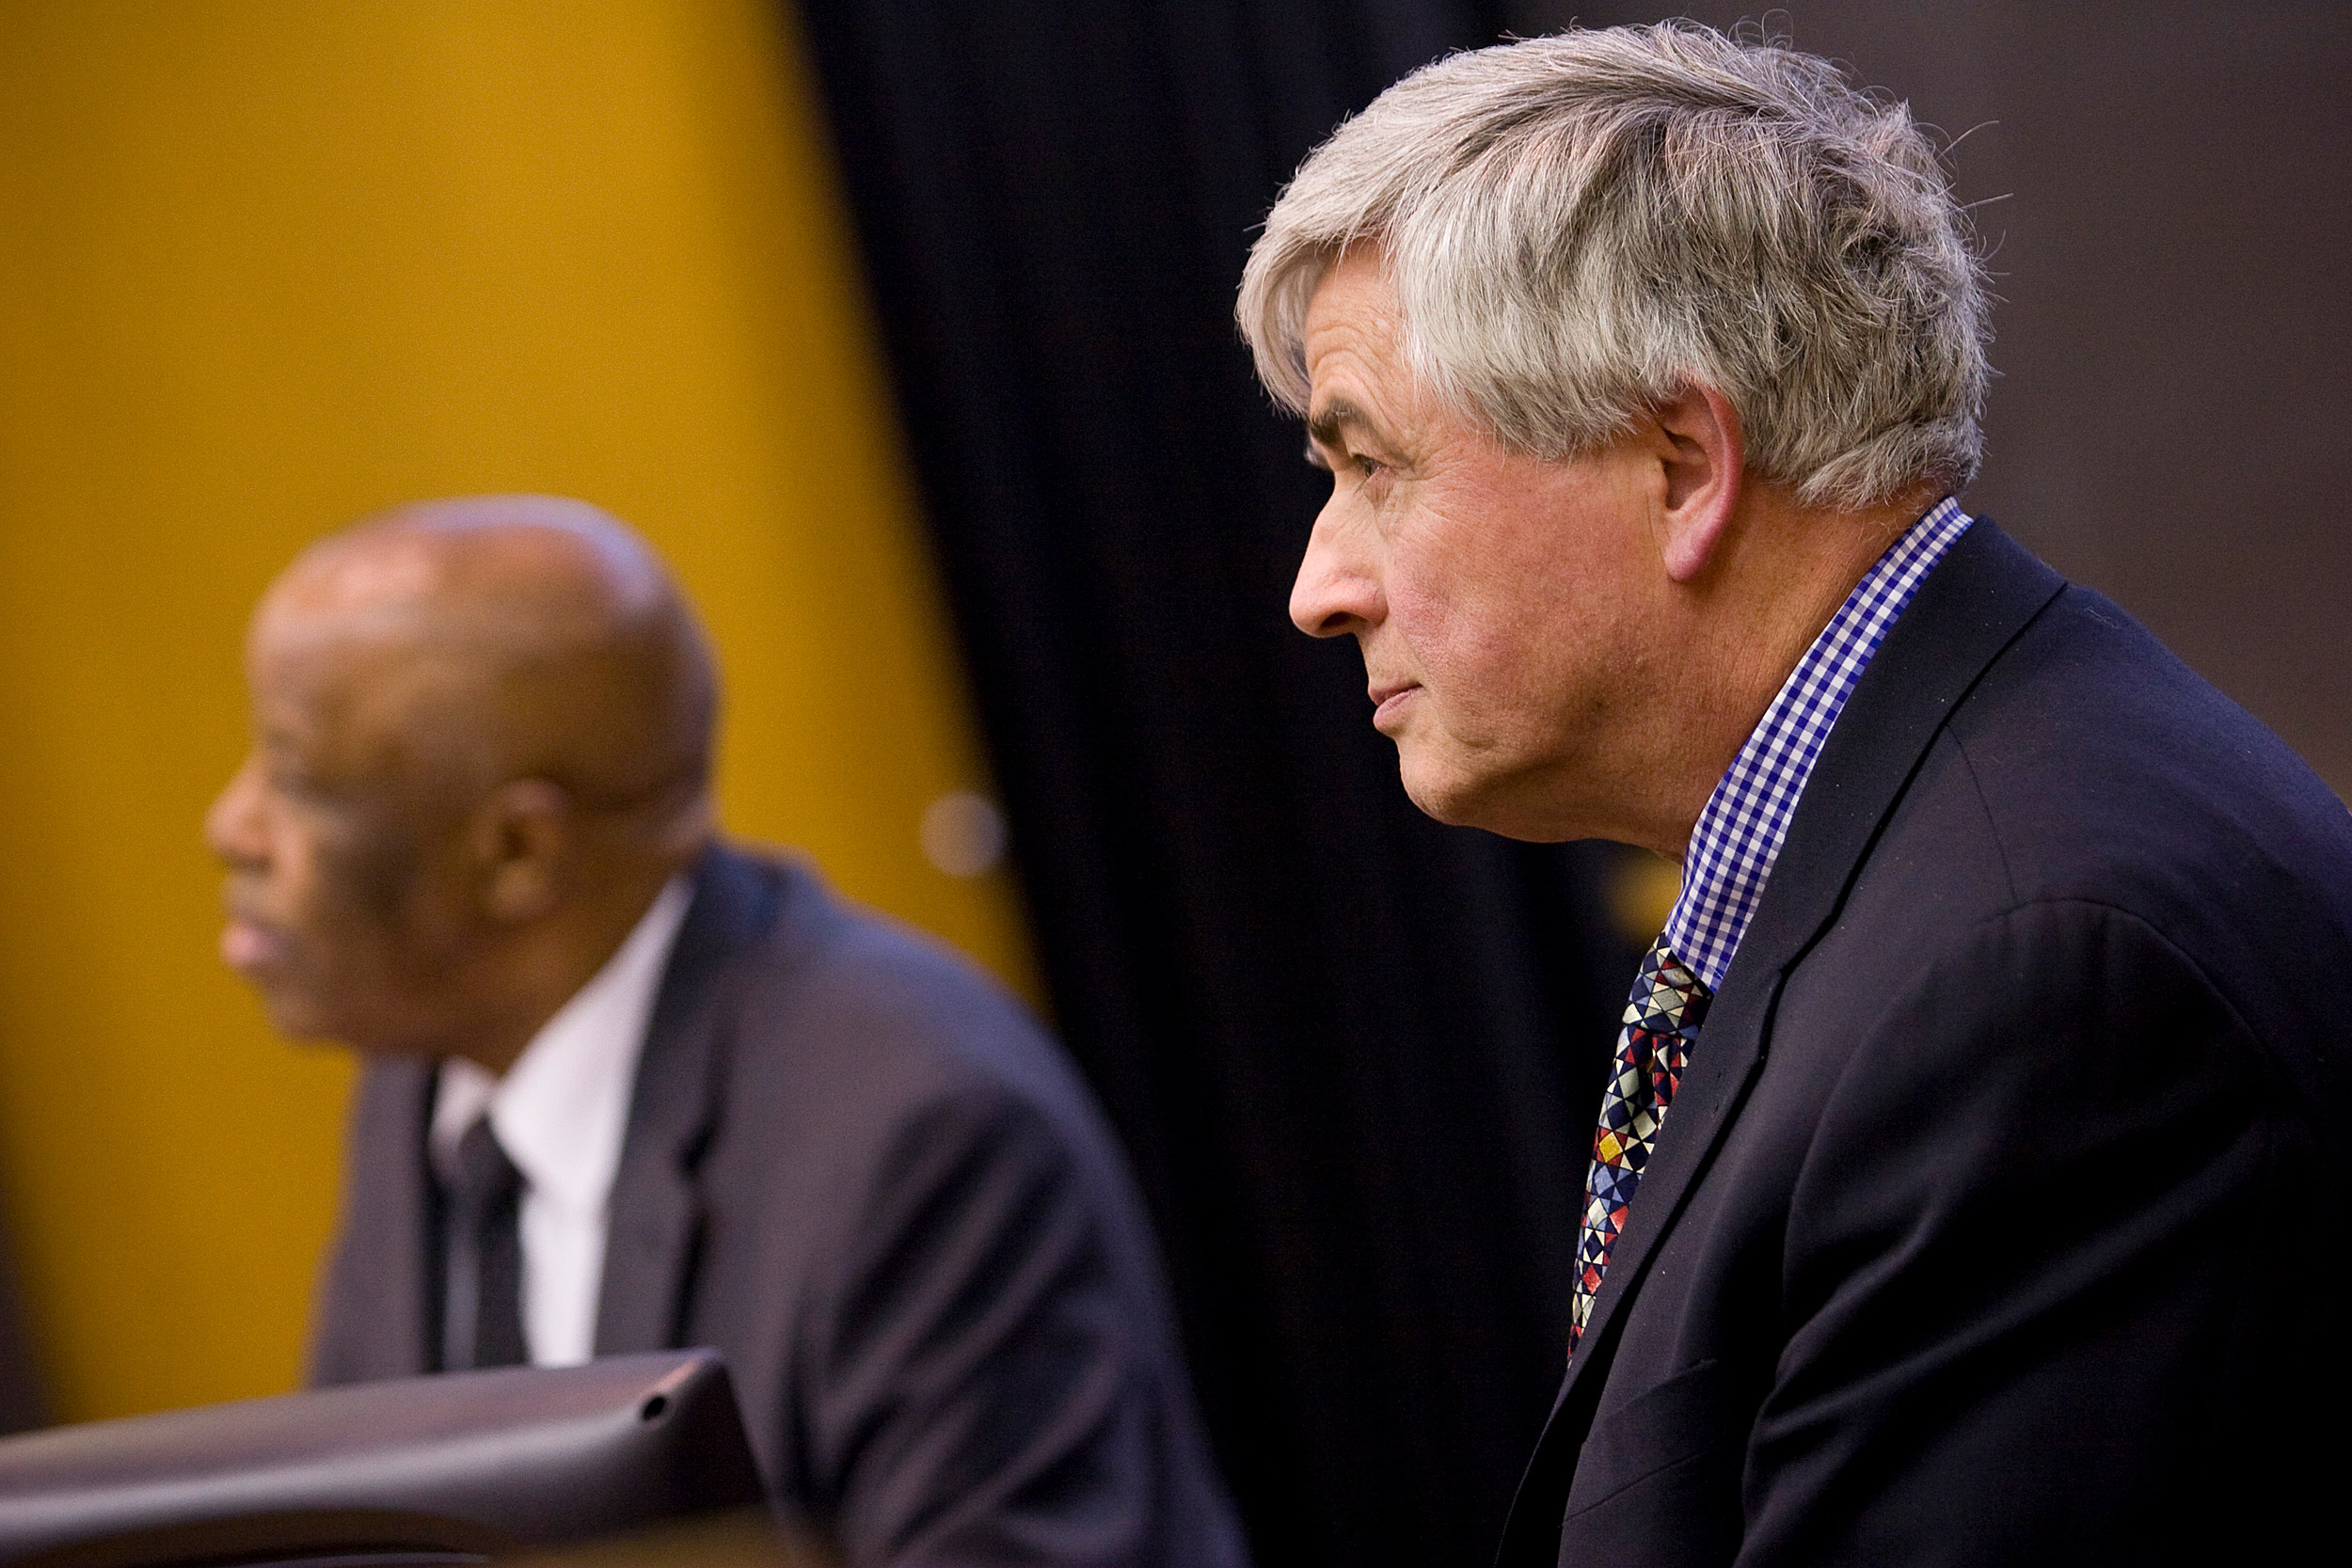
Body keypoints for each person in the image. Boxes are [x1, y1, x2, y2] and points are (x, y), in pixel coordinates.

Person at [1239, 22, 2352, 1567]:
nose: (1319, 585)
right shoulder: (1937, 855)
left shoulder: (2037, 981)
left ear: (1683, 460)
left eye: (1372, 467)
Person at [204, 495, 1248, 1568]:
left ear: (518, 852)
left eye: (294, 779)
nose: (229, 826)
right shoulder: (427, 1070)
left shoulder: (917, 1127)